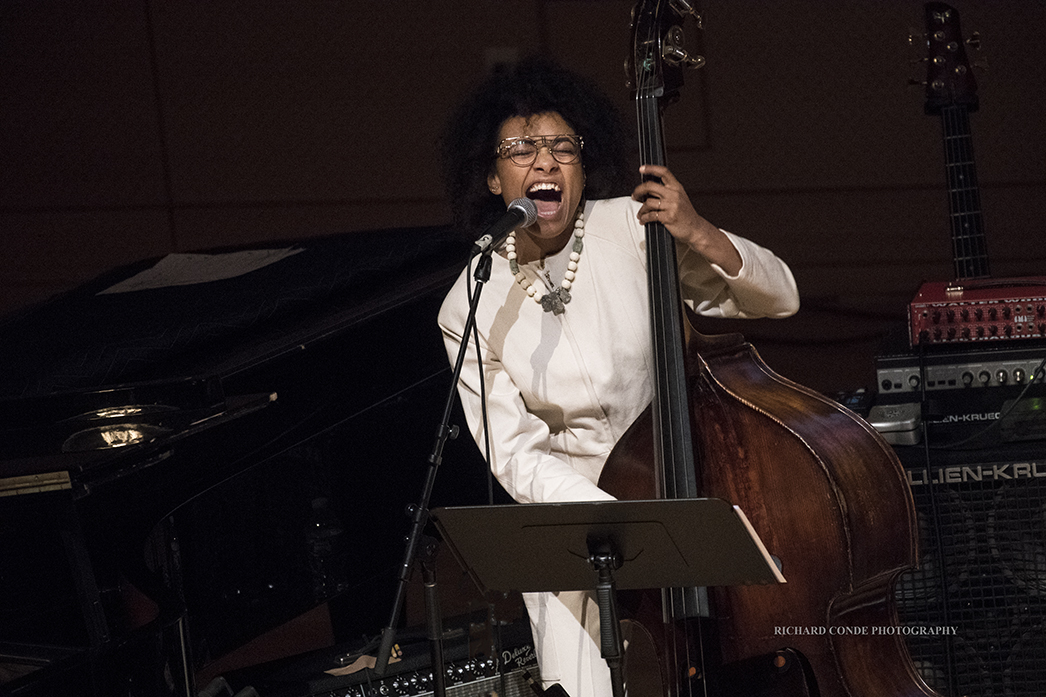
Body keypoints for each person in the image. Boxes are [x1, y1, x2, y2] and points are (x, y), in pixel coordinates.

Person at [436, 59, 799, 697]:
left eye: (561, 147)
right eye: (521, 149)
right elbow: (514, 453)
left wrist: (697, 230)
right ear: (493, 177)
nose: (544, 163)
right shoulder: (469, 300)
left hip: (684, 495)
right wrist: (616, 522)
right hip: (572, 532)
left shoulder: (631, 229)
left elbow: (780, 297)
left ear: (583, 165)